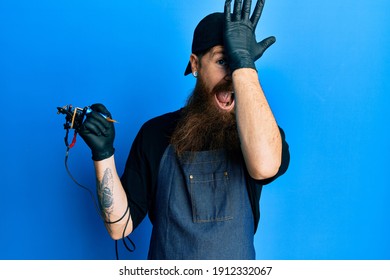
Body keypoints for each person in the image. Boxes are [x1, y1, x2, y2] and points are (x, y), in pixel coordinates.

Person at [78, 0, 289, 260]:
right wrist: (103, 154)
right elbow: (120, 227)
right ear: (195, 65)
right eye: (223, 60)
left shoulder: (257, 135)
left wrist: (243, 64)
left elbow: (265, 166)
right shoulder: (155, 134)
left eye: (239, 62)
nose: (232, 75)